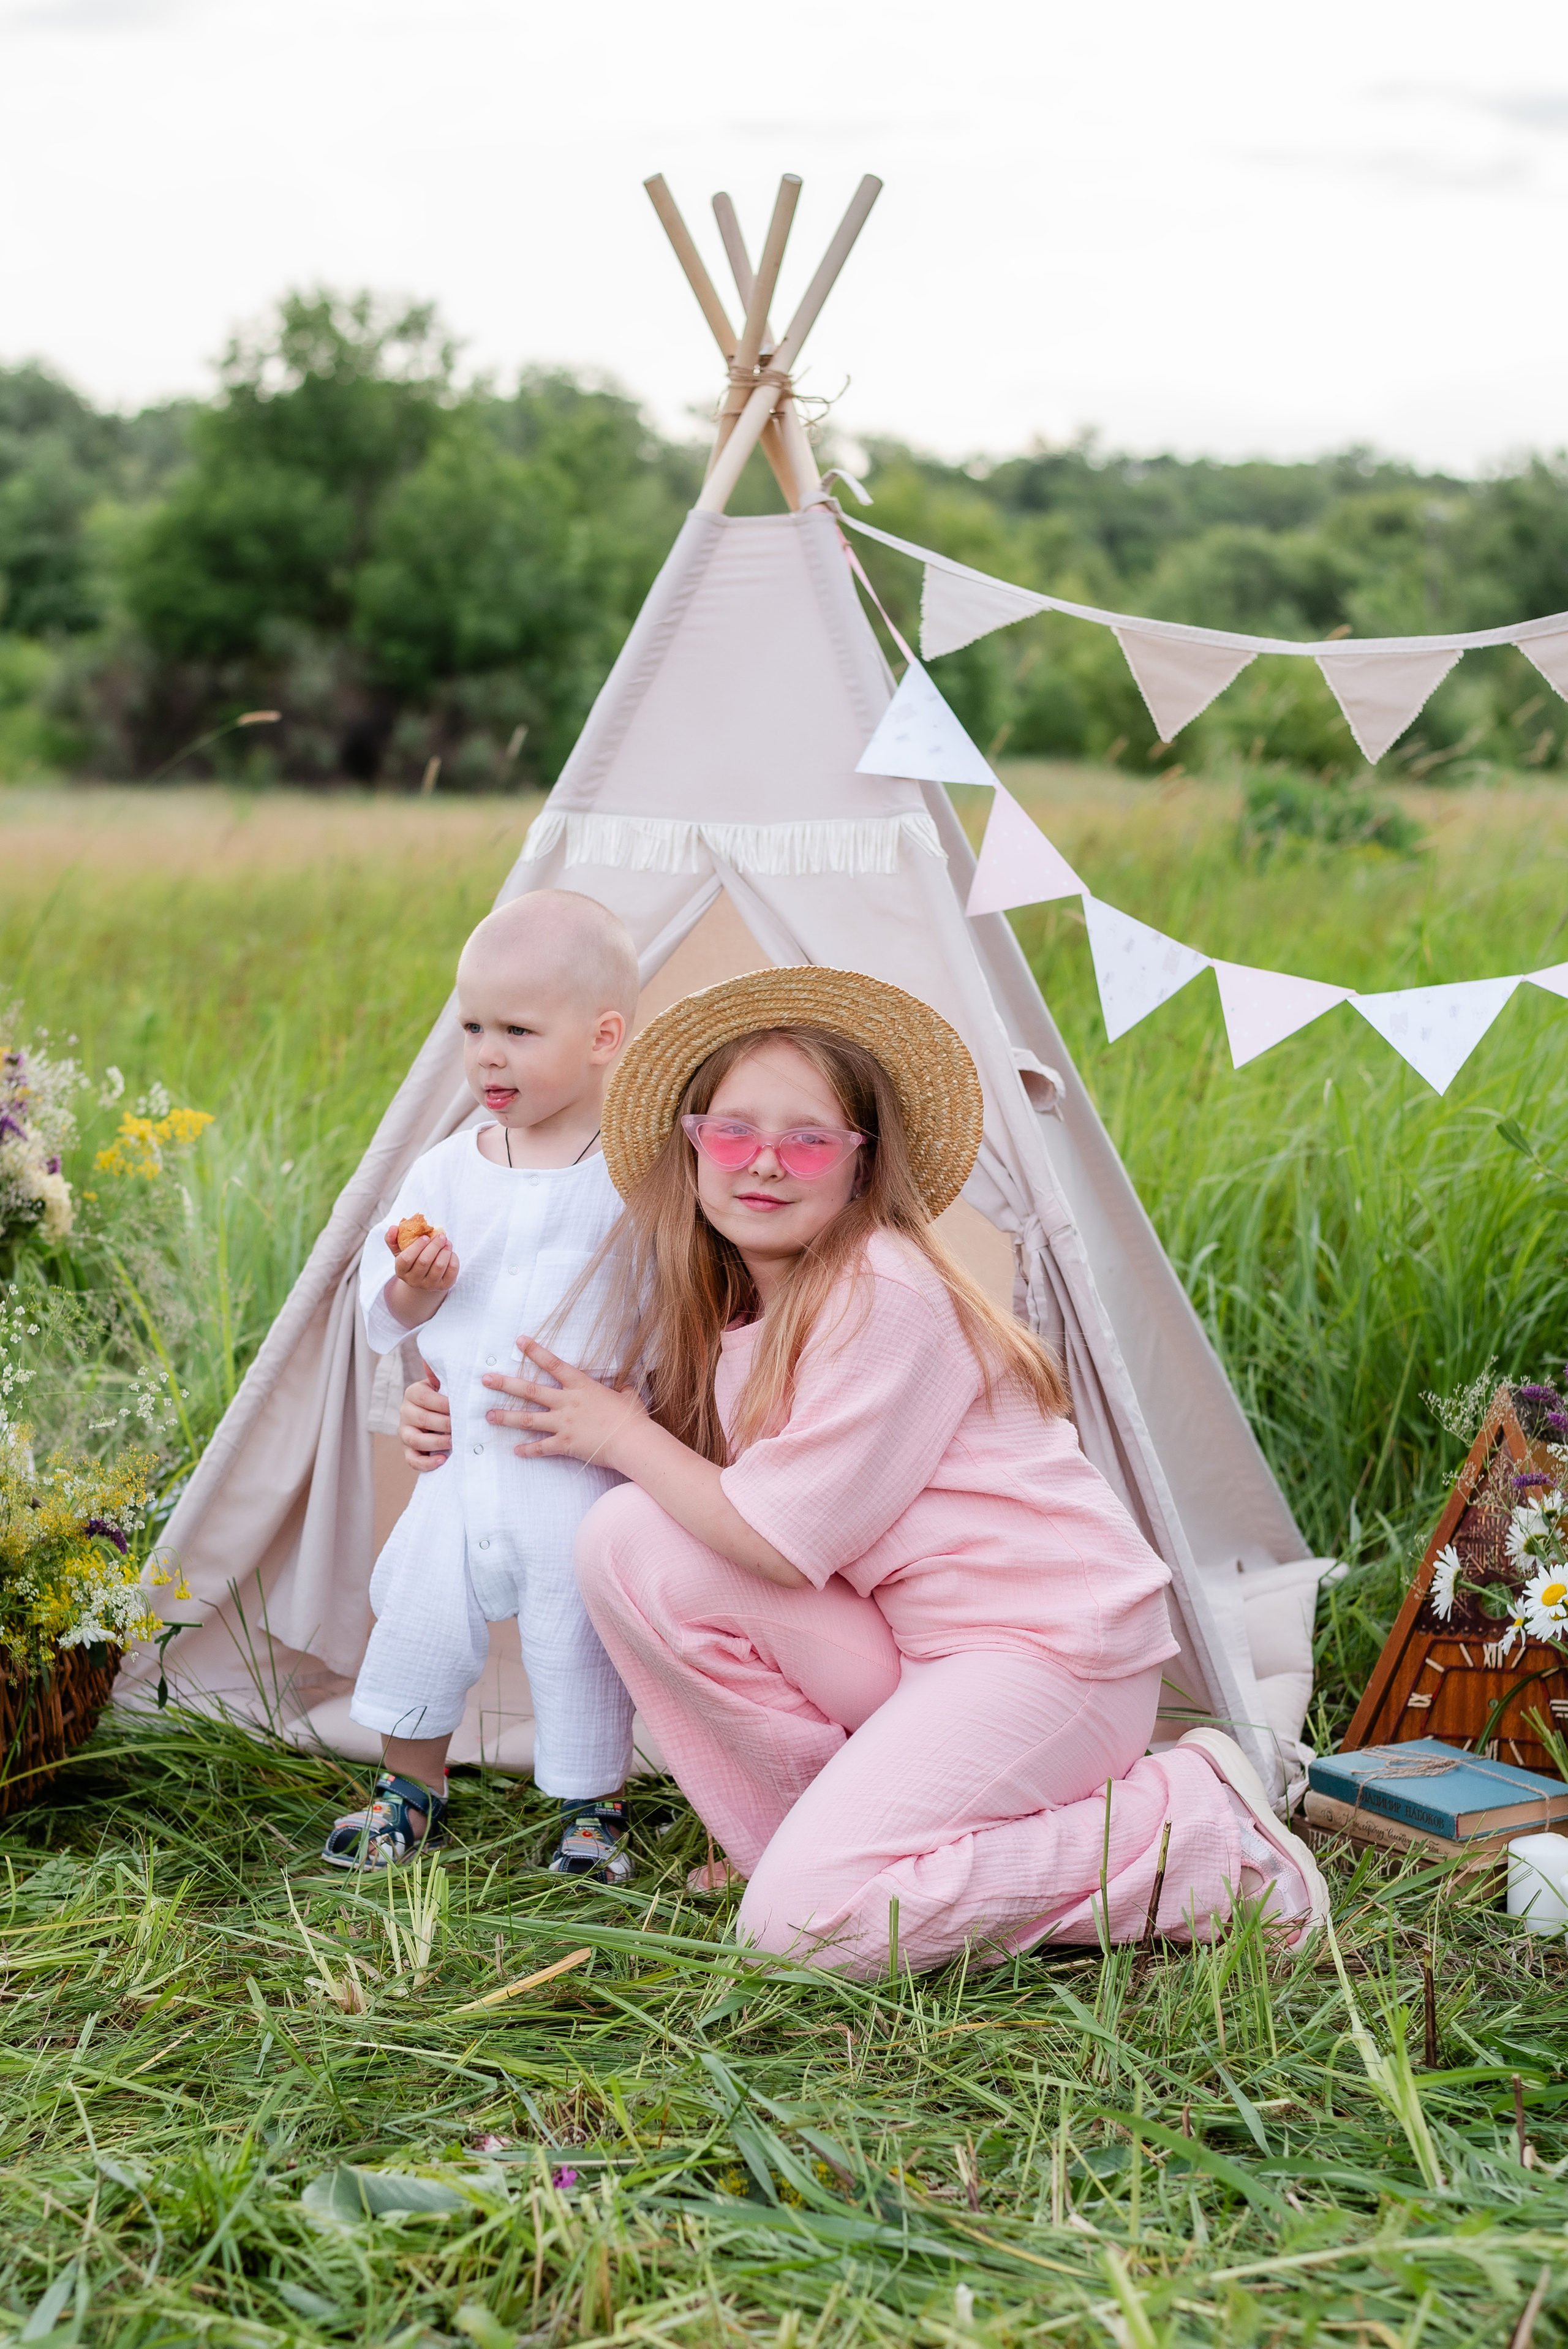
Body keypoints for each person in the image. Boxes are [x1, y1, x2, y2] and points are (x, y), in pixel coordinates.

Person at [399, 967, 1327, 1977]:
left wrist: (619, 1433)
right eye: (732, 1132)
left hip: (1053, 1653)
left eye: (807, 1138)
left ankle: (1195, 1834)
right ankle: (807, 1836)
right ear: (693, 1143)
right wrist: (452, 1415)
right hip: (915, 1643)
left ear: (860, 1163)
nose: (764, 1164)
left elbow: (775, 1543)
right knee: (624, 1540)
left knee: (799, 1932)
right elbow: (682, 1501)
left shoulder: (884, 1287)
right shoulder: (738, 1307)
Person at [322, 888, 641, 1882]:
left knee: (579, 1636)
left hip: (570, 1464)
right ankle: (410, 1787)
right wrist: (415, 1297)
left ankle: (595, 1808)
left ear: (603, 1036)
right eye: (471, 1028)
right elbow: (382, 1309)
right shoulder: (446, 1169)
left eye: (516, 1030)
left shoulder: (635, 1176)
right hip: (461, 1462)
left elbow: (671, 1312)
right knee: (419, 1615)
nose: (486, 1055)